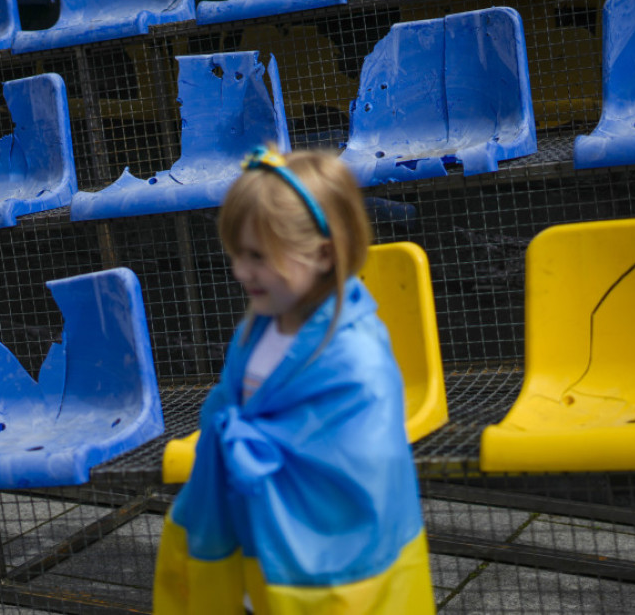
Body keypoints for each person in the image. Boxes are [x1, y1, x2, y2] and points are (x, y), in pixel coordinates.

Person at [153, 145, 434, 614]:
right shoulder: (259, 324)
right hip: (251, 519)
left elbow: (361, 459)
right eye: (237, 254)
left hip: (323, 551)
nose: (241, 272)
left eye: (258, 257)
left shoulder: (357, 355)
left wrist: (253, 448)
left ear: (323, 255)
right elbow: (230, 402)